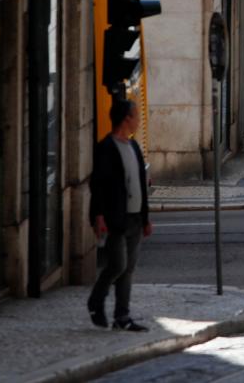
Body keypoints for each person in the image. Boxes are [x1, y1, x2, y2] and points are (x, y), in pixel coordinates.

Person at [87, 98, 153, 332]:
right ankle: (96, 301)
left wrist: (145, 218)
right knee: (118, 265)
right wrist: (97, 215)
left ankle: (122, 317)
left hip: (136, 218)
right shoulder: (105, 148)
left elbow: (140, 186)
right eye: (136, 116)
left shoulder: (134, 147)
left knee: (129, 269)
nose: (138, 121)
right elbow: (98, 185)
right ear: (126, 119)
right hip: (117, 218)